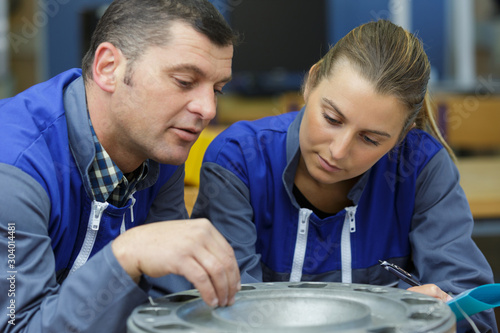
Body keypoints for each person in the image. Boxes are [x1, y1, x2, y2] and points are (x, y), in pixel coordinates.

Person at [192, 20, 497, 332]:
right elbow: (229, 315)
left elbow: (477, 318)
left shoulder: (421, 167)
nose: (338, 151)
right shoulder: (238, 158)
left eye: (370, 139)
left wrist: (446, 320)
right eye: (331, 118)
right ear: (311, 82)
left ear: (402, 135)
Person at [0, 0, 241, 332]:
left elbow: (166, 302)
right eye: (185, 81)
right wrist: (126, 255)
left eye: (217, 89)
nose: (208, 109)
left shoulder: (159, 152)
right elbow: (17, 327)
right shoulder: (13, 171)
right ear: (108, 67)